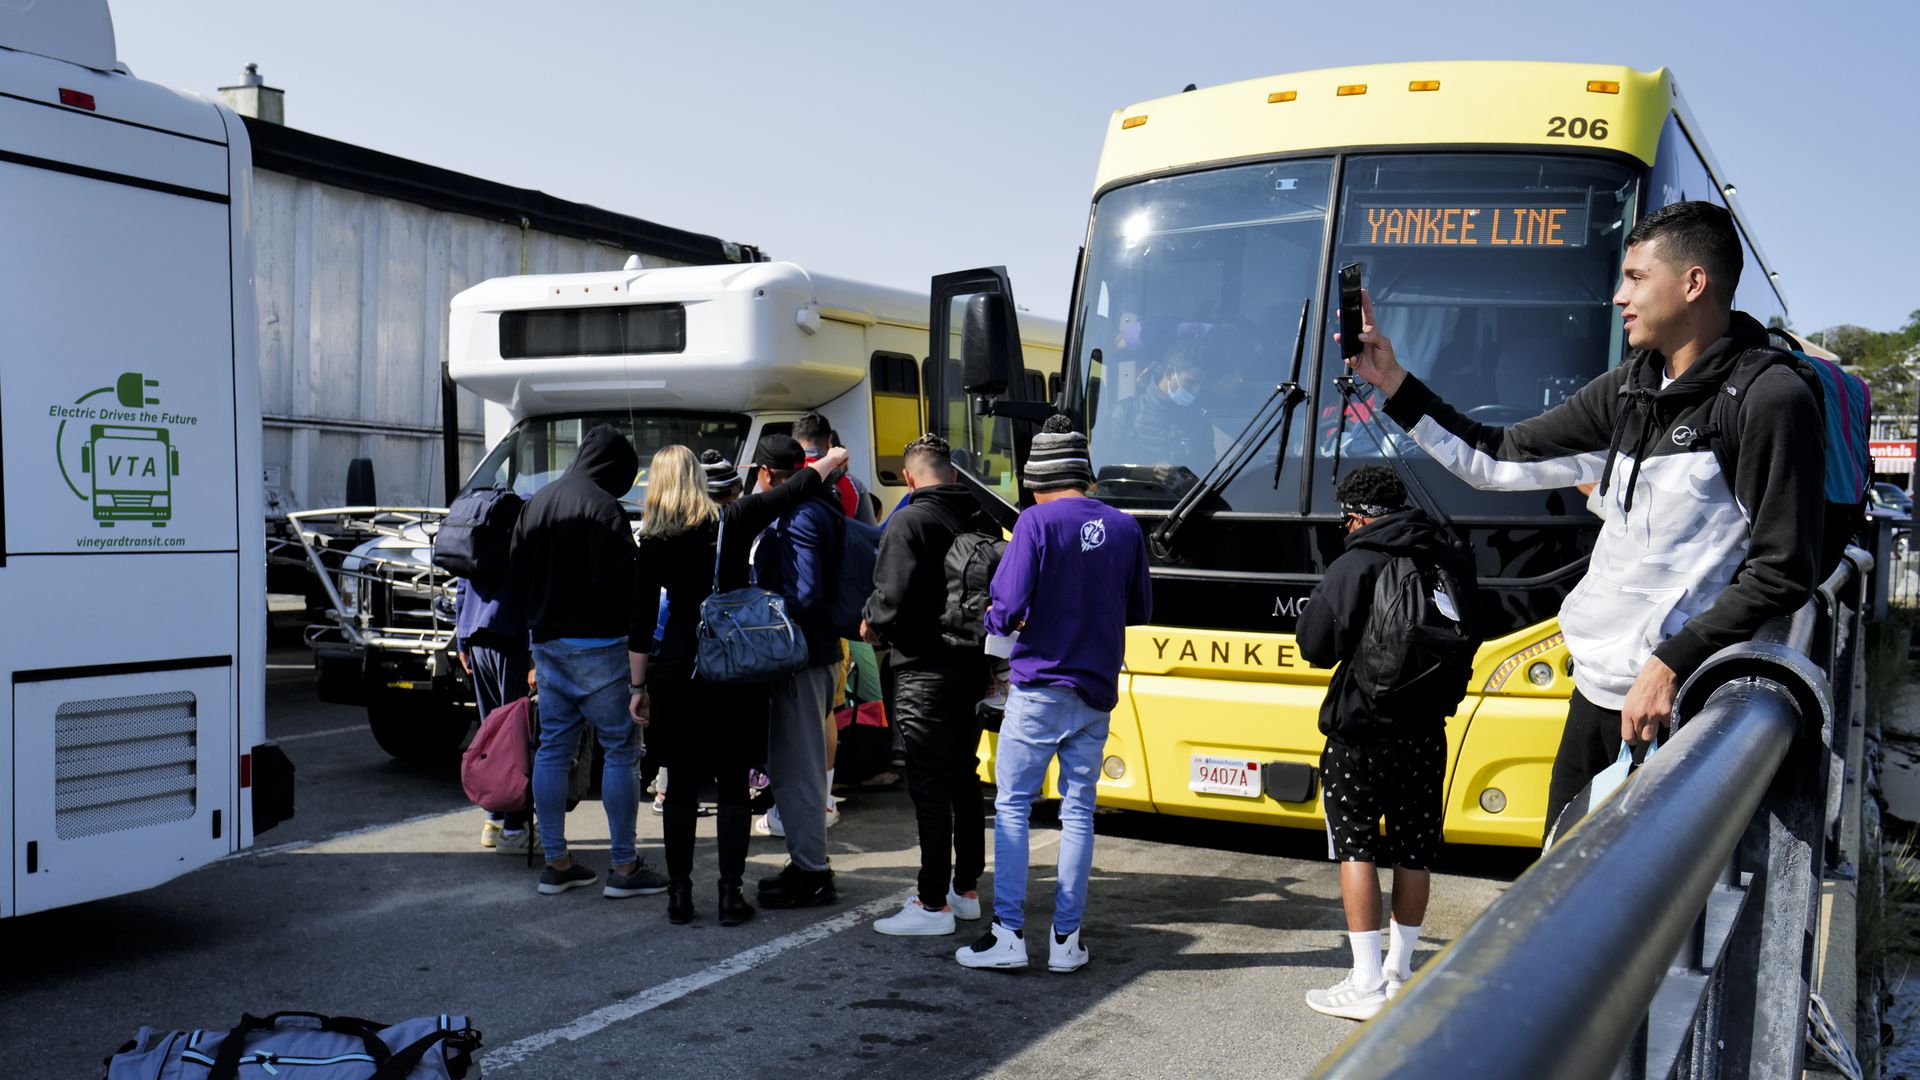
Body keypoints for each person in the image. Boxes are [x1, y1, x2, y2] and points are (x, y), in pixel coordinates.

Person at [1343, 200, 1824, 834]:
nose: (1620, 296)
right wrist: (1392, 382)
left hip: (1679, 705)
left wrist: (1671, 663)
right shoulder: (1630, 387)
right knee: (1560, 870)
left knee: (1649, 889)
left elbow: (1783, 570)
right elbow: (1495, 457)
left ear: (1693, 283)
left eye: (1636, 277)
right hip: (1598, 695)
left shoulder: (1770, 399)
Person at [956, 416, 1152, 973]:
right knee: (1079, 811)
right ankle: (1067, 941)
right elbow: (1140, 608)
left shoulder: (1035, 523)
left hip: (1040, 685)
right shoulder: (1125, 527)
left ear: (1038, 480)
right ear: (1084, 476)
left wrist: (997, 621)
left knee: (1014, 805)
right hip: (1096, 690)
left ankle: (1009, 935)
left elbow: (1006, 606)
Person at [632, 443, 848, 925]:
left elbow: (641, 624)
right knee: (733, 785)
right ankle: (730, 895)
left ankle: (680, 896)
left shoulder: (652, 543)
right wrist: (831, 459)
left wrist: (637, 687)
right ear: (696, 479)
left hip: (679, 668)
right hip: (732, 663)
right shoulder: (733, 520)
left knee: (680, 786)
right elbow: (795, 488)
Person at [1297, 466, 1480, 1021]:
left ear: (1355, 515)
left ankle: (1366, 982)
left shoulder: (1356, 562)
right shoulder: (1448, 557)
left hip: (1361, 729)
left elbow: (1315, 646)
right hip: (1426, 731)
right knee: (1414, 849)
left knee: (1356, 847)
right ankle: (1399, 974)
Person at [507, 424, 670, 898]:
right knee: (621, 749)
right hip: (601, 648)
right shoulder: (603, 508)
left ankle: (557, 862)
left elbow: (516, 572)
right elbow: (620, 583)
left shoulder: (537, 502)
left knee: (554, 748)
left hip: (548, 645)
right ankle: (623, 866)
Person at [860, 434, 993, 936]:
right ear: (953, 474)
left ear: (909, 478)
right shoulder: (979, 517)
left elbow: (889, 597)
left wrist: (870, 621)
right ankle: (966, 890)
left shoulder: (909, 520)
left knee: (929, 784)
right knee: (964, 776)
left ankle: (932, 902)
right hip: (972, 667)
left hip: (922, 670)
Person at [750, 433, 846, 909]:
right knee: (795, 767)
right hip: (818, 652)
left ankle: (811, 874)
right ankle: (806, 864)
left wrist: (766, 611)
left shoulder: (800, 516)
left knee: (798, 770)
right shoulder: (821, 504)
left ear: (767, 474)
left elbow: (804, 594)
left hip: (801, 658)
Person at [455, 571, 533, 855]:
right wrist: (535, 648)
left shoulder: (479, 535)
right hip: (512, 631)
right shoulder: (517, 535)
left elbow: (463, 580)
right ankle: (514, 827)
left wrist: (461, 636)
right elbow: (532, 580)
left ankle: (495, 819)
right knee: (516, 735)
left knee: (492, 731)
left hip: (476, 629)